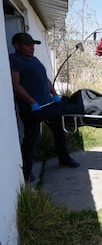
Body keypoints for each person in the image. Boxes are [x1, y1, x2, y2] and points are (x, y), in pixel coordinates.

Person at [9, 32, 79, 183]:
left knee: (59, 130)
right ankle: (27, 172)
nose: (32, 48)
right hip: (32, 109)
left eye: (32, 45)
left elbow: (44, 78)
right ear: (17, 46)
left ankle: (64, 158)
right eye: (28, 45)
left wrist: (54, 93)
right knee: (31, 139)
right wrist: (32, 101)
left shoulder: (34, 59)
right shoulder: (14, 60)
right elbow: (16, 85)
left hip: (48, 105)